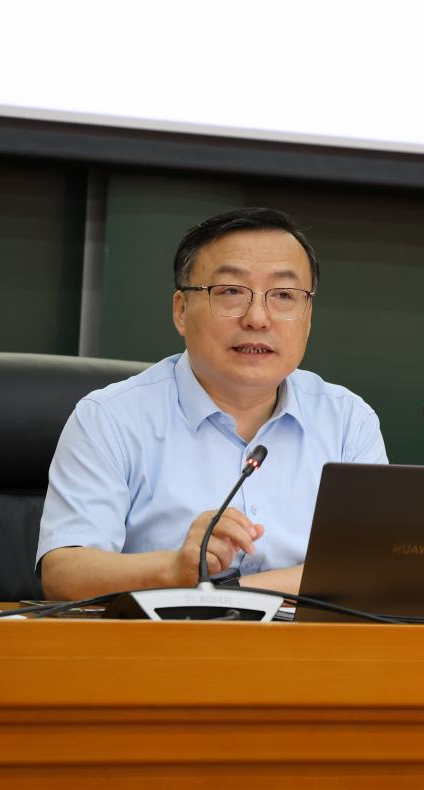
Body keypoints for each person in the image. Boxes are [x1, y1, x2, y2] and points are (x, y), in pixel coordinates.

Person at [36, 208, 387, 600]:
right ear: (181, 310)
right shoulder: (110, 418)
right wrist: (173, 568)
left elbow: (373, 568)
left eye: (284, 295)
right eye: (231, 291)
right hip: (165, 636)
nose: (257, 318)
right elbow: (64, 574)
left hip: (311, 639)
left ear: (308, 316)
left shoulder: (348, 421)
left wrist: (222, 591)